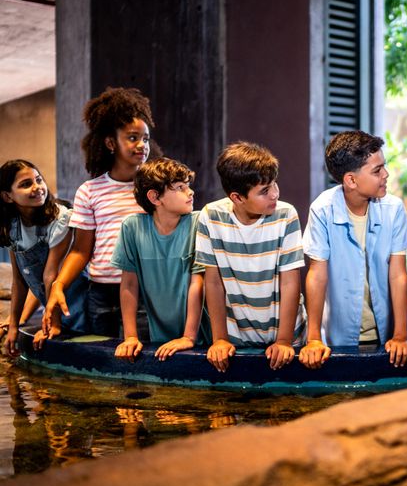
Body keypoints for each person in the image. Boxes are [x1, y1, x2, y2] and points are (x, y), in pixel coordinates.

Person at [44, 87, 160, 339]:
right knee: (102, 357)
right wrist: (59, 285)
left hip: (146, 290)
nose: (142, 145)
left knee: (140, 355)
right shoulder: (89, 191)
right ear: (110, 143)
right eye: (132, 138)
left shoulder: (156, 189)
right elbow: (80, 250)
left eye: (146, 138)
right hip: (101, 292)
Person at [299, 131, 407, 370]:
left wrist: (401, 335)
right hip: (339, 336)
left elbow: (398, 274)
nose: (386, 174)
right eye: (377, 170)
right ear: (351, 180)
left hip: (386, 336)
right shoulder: (323, 209)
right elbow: (317, 275)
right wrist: (313, 339)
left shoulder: (393, 209)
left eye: (384, 167)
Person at [196, 142, 306, 372]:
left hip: (288, 338)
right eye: (264, 191)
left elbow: (290, 280)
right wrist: (219, 339)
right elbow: (213, 282)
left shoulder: (286, 215)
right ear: (237, 197)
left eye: (274, 184)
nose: (275, 193)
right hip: (236, 341)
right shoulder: (210, 217)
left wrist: (284, 340)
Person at [111, 157, 211, 362]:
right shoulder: (132, 227)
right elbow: (129, 284)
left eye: (188, 186)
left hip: (202, 336)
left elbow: (198, 282)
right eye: (180, 187)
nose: (190, 192)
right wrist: (130, 337)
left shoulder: (199, 223)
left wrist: (188, 337)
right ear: (155, 197)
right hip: (159, 337)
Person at [1, 160, 88, 356]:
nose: (37, 188)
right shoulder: (12, 227)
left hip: (75, 305)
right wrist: (14, 324)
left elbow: (51, 275)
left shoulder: (59, 218)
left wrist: (52, 325)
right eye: (25, 184)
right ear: (7, 196)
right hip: (49, 305)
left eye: (38, 180)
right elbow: (19, 280)